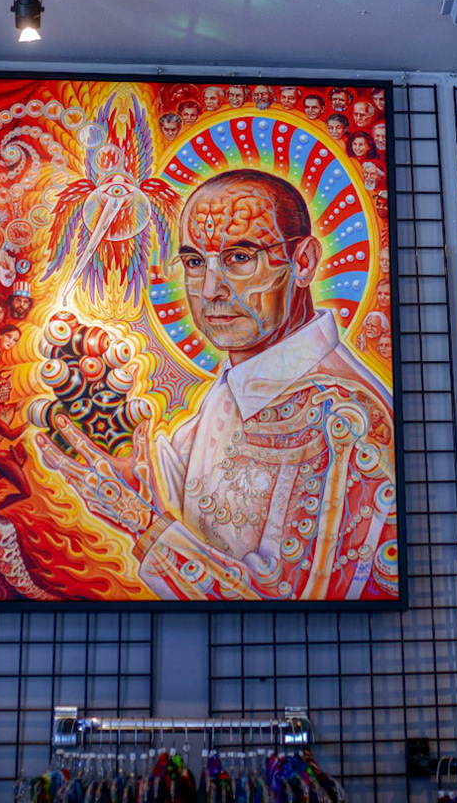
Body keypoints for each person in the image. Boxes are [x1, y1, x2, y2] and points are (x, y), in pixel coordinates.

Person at [54, 168, 397, 601]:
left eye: (239, 257)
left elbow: (292, 602)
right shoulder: (240, 382)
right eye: (195, 262)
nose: (210, 290)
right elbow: (190, 488)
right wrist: (133, 475)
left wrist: (143, 525)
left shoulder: (348, 418)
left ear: (303, 262)